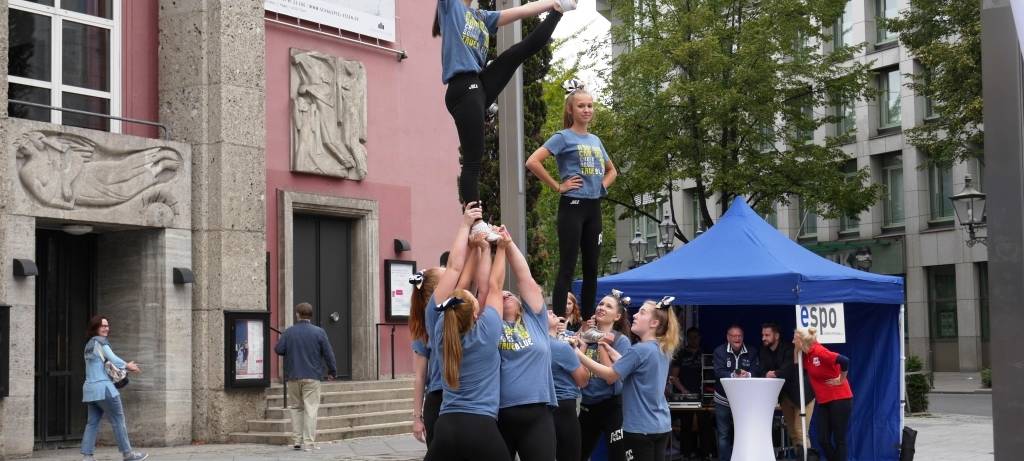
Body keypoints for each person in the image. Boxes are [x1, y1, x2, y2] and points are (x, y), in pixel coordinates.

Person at [434, 0, 576, 206]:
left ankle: (558, 13)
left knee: (517, 53)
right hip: (462, 87)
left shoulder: (481, 16)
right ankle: (476, 223)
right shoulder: (450, 6)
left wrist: (555, 3)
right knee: (473, 161)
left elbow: (522, 10)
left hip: (479, 83)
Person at [526, 80, 618, 320]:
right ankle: (557, 321)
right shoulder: (563, 137)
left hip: (593, 207)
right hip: (572, 206)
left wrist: (601, 187)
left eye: (590, 106)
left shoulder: (595, 140)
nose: (587, 110)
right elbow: (533, 161)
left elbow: (612, 171)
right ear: (571, 110)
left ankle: (588, 321)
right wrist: (558, 186)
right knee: (567, 265)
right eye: (581, 106)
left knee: (592, 268)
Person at [423, 229, 511, 461]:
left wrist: (476, 248)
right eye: (475, 301)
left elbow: (466, 287)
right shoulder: (487, 331)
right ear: (475, 312)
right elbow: (493, 287)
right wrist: (500, 249)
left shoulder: (442, 329)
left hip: (446, 427)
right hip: (481, 427)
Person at [575, 297, 681, 461]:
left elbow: (611, 375)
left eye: (642, 312)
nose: (635, 315)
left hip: (639, 428)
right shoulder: (662, 348)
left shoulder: (638, 350)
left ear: (653, 323)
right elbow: (629, 364)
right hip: (661, 426)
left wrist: (578, 354)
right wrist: (608, 348)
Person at [495, 228, 559, 460]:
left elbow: (525, 279)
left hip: (538, 411)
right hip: (499, 413)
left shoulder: (536, 320)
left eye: (509, 293)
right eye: (499, 294)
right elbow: (490, 285)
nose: (505, 295)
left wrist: (508, 243)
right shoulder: (490, 326)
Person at [80, 316, 148, 461]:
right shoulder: (101, 342)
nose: (106, 328)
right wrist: (127, 365)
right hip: (104, 389)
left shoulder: (88, 345)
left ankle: (87, 457)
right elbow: (113, 358)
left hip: (89, 390)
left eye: (107, 326)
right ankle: (128, 454)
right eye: (102, 326)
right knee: (118, 420)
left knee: (92, 422)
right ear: (95, 328)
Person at [274, 302, 338, 451]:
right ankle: (309, 443)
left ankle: (297, 440)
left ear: (297, 314)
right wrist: (332, 371)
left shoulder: (289, 332)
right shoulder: (319, 332)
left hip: (293, 376)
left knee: (296, 408)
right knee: (310, 408)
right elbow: (329, 354)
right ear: (310, 315)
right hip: (312, 376)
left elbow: (278, 349)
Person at [577, 291, 633, 461]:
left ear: (617, 316)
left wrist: (602, 342)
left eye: (608, 306)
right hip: (587, 405)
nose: (601, 307)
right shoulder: (584, 336)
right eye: (600, 304)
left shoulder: (621, 341)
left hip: (612, 407)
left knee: (618, 455)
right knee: (579, 454)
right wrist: (584, 342)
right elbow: (578, 376)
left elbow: (612, 377)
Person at [794, 328, 853, 461]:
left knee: (839, 439)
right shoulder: (808, 355)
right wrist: (796, 349)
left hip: (840, 398)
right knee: (823, 439)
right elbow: (796, 365)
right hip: (824, 401)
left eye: (795, 339)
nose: (792, 341)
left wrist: (841, 379)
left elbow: (844, 360)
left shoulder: (819, 352)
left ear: (801, 341)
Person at [759, 322, 815, 458]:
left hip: (803, 394)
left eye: (767, 335)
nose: (763, 338)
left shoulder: (789, 349)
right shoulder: (763, 351)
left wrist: (775, 374)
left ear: (776, 336)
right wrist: (767, 374)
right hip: (785, 397)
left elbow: (790, 369)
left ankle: (807, 458)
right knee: (793, 433)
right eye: (762, 335)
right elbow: (761, 370)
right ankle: (800, 457)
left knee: (800, 431)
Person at [712, 325, 760, 461]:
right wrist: (734, 374)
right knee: (723, 435)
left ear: (743, 337)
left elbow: (757, 371)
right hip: (723, 399)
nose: (737, 338)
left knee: (745, 433)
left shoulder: (752, 351)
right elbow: (718, 372)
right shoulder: (719, 351)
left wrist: (748, 374)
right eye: (734, 336)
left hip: (745, 401)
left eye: (739, 336)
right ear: (728, 337)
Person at [548, 310, 589, 461]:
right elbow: (583, 380)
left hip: (542, 408)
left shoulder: (533, 345)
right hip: (564, 407)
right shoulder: (561, 348)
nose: (551, 311)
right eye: (545, 312)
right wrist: (579, 350)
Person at [668, 327, 714, 460]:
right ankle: (686, 454)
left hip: (703, 395)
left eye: (696, 337)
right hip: (685, 396)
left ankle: (706, 454)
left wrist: (709, 391)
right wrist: (684, 391)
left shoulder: (705, 353)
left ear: (700, 338)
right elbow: (673, 377)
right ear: (687, 338)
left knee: (705, 424)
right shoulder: (680, 354)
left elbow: (712, 374)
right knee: (686, 425)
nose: (694, 339)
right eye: (691, 337)